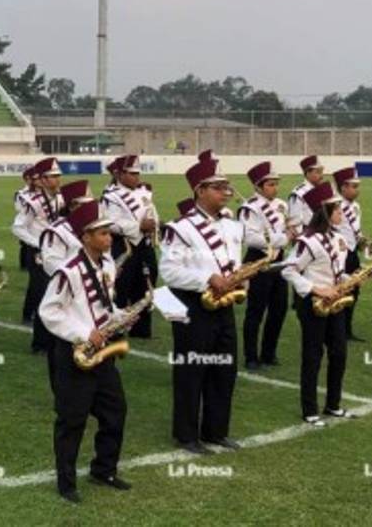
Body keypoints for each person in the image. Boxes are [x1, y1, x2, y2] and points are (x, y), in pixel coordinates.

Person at [38, 201, 130, 503]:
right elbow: (49, 311)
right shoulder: (68, 272)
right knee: (72, 420)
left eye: (108, 232)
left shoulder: (107, 266)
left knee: (115, 411)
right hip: (74, 354)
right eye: (102, 233)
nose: (109, 238)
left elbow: (105, 305)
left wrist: (121, 316)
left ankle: (104, 470)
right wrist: (82, 333)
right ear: (86, 237)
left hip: (103, 354)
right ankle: (66, 483)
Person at [158, 157, 243, 454]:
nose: (225, 192)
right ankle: (186, 435)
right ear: (200, 191)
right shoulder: (180, 228)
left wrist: (240, 279)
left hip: (224, 304)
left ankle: (216, 431)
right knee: (191, 372)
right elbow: (169, 271)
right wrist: (207, 278)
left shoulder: (232, 226)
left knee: (224, 370)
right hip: (192, 305)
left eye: (226, 187)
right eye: (218, 187)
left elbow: (232, 262)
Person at [281, 182, 363, 426]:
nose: (341, 213)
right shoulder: (308, 241)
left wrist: (350, 279)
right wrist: (316, 289)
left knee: (339, 353)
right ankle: (310, 410)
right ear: (324, 213)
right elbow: (288, 270)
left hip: (334, 302)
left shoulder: (338, 238)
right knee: (313, 355)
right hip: (313, 303)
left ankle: (333, 405)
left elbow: (336, 271)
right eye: (336, 210)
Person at [238, 161, 297, 370]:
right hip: (258, 260)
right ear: (258, 186)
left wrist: (292, 231)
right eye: (270, 184)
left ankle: (268, 353)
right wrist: (283, 238)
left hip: (278, 261)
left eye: (276, 184)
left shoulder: (281, 205)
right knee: (256, 311)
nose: (275, 188)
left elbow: (286, 228)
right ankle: (251, 356)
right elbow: (251, 239)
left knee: (279, 309)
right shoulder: (249, 208)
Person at [100, 155, 158, 338]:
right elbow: (109, 222)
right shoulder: (111, 196)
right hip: (124, 246)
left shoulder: (144, 193)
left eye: (137, 173)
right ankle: (116, 328)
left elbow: (152, 215)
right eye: (132, 174)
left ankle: (141, 329)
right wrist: (138, 226)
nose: (136, 177)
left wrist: (154, 225)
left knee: (146, 285)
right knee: (121, 287)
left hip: (145, 245)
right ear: (120, 175)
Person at [14, 158, 64, 352]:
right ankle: (40, 343)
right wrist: (38, 243)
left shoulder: (61, 199)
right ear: (42, 180)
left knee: (58, 294)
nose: (57, 180)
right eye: (52, 177)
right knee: (43, 294)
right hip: (39, 253)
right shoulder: (33, 203)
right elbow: (18, 227)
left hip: (58, 252)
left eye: (58, 176)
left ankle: (55, 338)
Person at [332, 166, 367, 342]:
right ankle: (336, 330)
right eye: (353, 186)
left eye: (357, 186)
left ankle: (347, 330)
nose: (357, 190)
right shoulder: (334, 205)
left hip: (352, 254)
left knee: (354, 291)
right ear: (343, 187)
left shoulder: (356, 207)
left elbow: (355, 230)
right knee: (339, 292)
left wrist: (362, 240)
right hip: (338, 254)